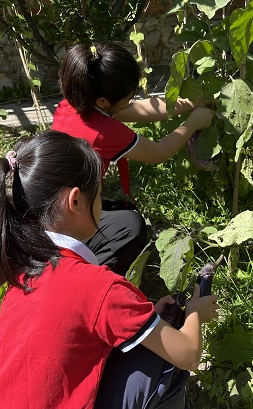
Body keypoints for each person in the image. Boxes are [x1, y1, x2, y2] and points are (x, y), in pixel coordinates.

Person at [0, 130, 219, 409]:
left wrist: (145, 318)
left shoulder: (23, 276)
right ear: (76, 200)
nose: (102, 203)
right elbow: (188, 354)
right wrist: (196, 313)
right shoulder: (98, 287)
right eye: (99, 193)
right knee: (167, 355)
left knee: (150, 336)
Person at [52, 42, 215, 276]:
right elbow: (159, 153)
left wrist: (191, 104)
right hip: (65, 218)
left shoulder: (76, 103)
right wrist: (194, 123)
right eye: (128, 98)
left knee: (119, 213)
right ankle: (81, 275)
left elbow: (138, 109)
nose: (131, 102)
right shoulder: (102, 132)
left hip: (54, 205)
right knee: (131, 227)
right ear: (103, 102)